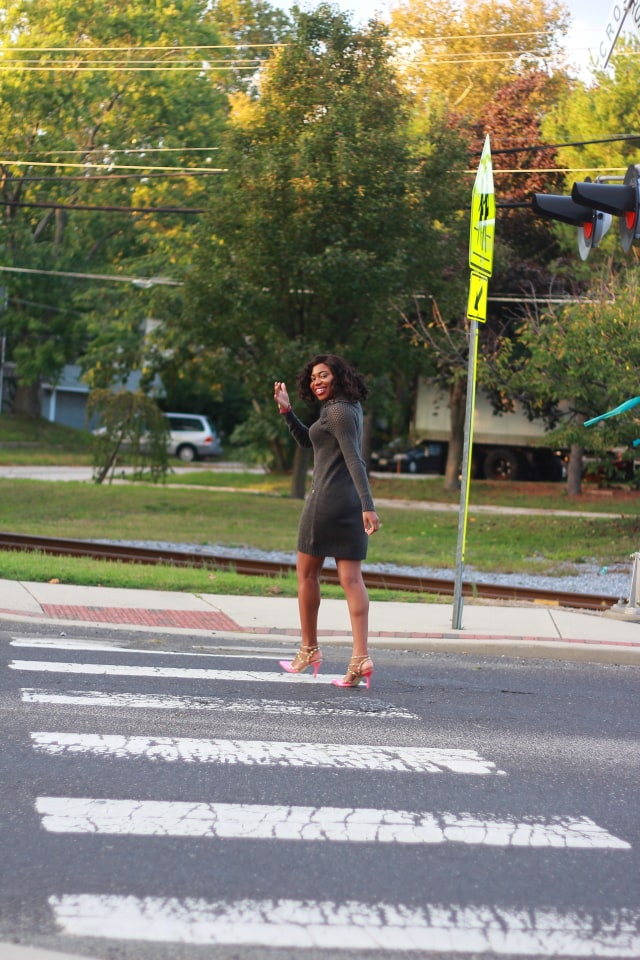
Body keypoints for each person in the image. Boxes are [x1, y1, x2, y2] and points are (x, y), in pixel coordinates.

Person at [273, 354, 381, 688]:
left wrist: (370, 505)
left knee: (307, 575)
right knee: (352, 580)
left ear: (338, 377)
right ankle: (359, 658)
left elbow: (355, 460)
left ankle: (309, 649)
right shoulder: (347, 409)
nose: (316, 382)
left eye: (324, 376)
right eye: (313, 378)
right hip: (348, 506)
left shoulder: (336, 411)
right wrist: (287, 412)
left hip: (326, 503)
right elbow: (308, 441)